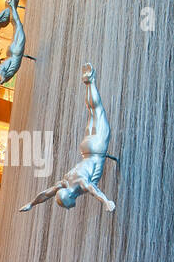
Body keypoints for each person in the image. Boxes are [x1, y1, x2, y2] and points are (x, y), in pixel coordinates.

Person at [19, 63, 116, 213]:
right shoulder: (64, 183)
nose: (68, 209)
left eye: (66, 205)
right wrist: (31, 204)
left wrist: (106, 202)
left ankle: (90, 81)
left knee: (97, 111)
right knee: (93, 112)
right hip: (85, 150)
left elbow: (93, 190)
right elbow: (45, 194)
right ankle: (88, 83)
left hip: (97, 149)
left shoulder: (80, 184)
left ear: (70, 197)